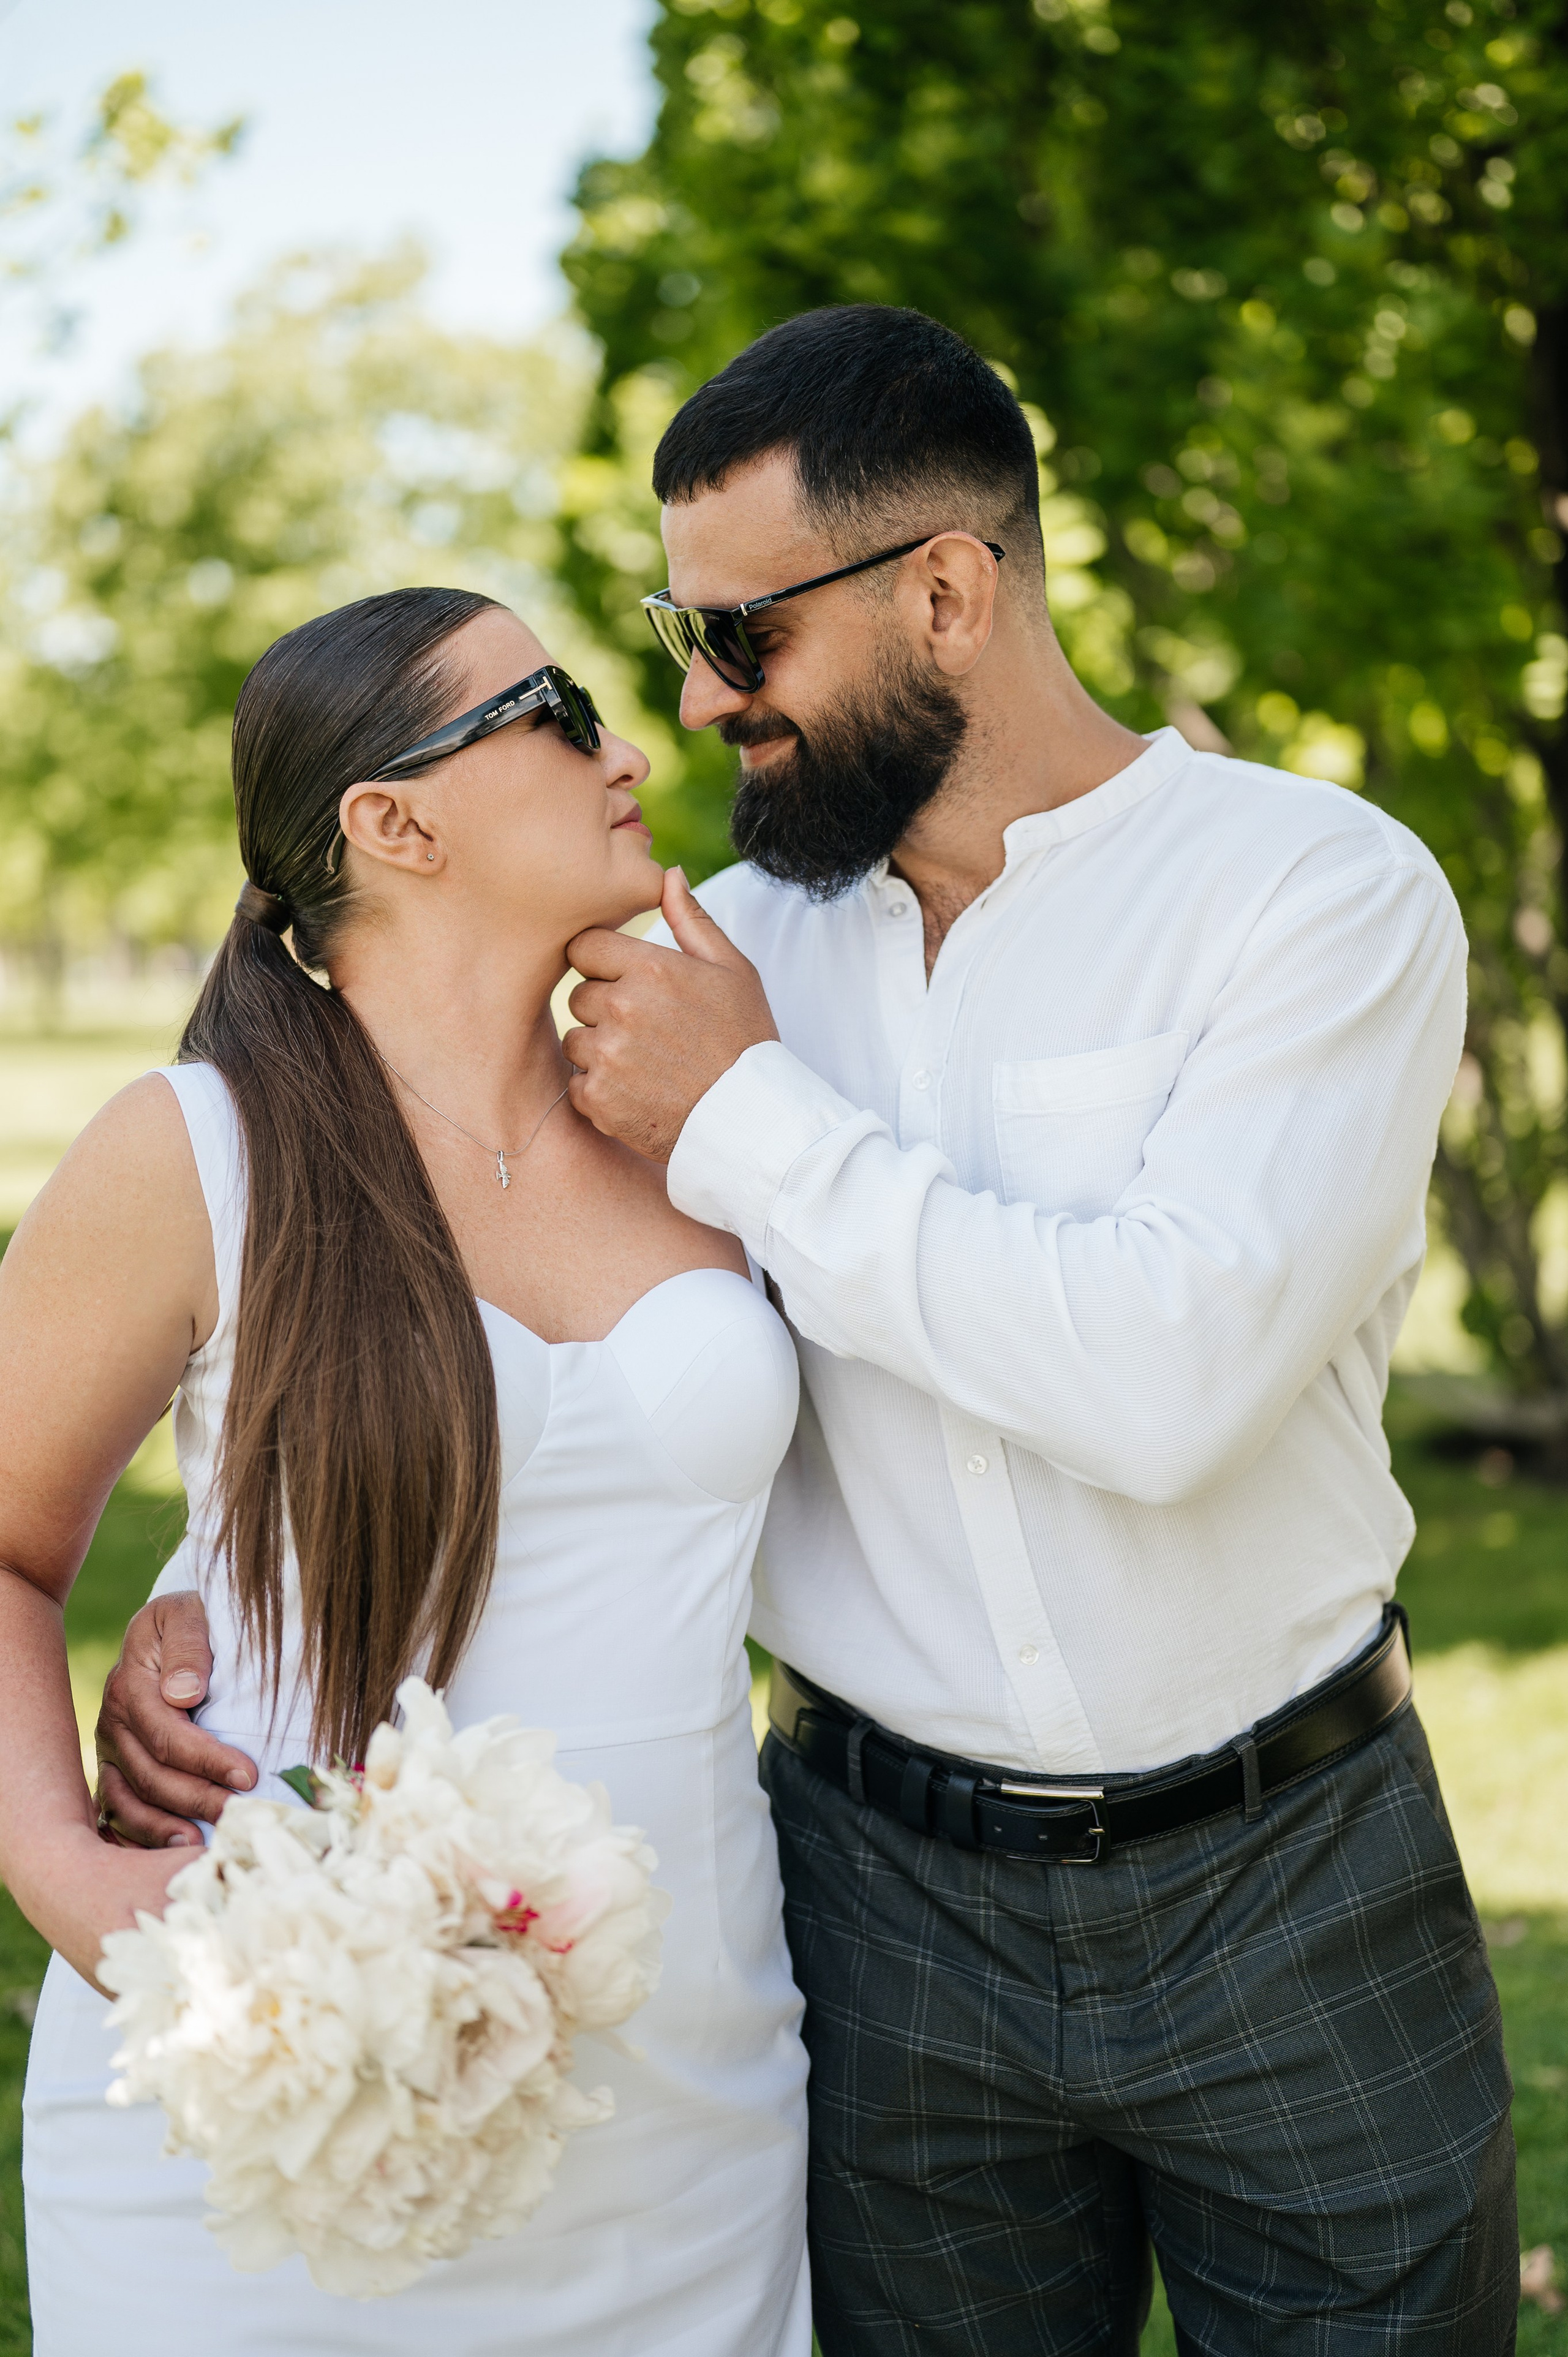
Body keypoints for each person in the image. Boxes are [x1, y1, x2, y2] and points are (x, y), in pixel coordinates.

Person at [103, 305, 1518, 2354]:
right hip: (874, 1903)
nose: (692, 703)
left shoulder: (1316, 896)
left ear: (948, 588)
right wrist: (213, 1592)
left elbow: (1169, 1378)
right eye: (671, 633)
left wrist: (756, 1125)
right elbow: (436, 1244)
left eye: (740, 637)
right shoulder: (703, 947)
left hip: (1293, 1871)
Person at [4, 587, 810, 2356]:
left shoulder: (713, 1117)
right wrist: (76, 1877)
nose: (629, 743)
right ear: (394, 820)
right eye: (556, 705)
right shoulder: (197, 1148)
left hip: (680, 2094)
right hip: (275, 2061)